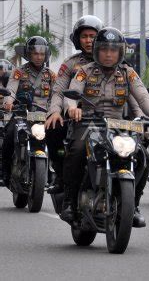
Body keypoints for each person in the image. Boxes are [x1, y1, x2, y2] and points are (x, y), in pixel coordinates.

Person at [61, 27, 149, 228]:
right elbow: (72, 93)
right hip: (90, 123)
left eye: (113, 50)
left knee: (143, 156)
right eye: (105, 50)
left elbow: (143, 95)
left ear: (120, 52)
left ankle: (133, 206)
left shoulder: (128, 73)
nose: (109, 54)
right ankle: (70, 203)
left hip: (119, 125)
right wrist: (72, 108)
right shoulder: (84, 71)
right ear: (98, 51)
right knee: (77, 151)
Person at [45, 15, 104, 194]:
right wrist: (56, 111)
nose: (88, 40)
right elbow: (58, 91)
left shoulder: (114, 62)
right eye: (84, 36)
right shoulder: (70, 64)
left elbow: (135, 94)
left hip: (110, 120)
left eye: (92, 36)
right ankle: (62, 176)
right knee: (54, 128)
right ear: (78, 39)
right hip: (77, 117)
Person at [2, 36, 56, 188]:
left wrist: (56, 110)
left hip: (44, 117)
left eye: (42, 54)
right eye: (35, 53)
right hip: (22, 115)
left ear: (46, 55)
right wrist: (9, 102)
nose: (39, 57)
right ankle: (5, 171)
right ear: (29, 54)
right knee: (9, 134)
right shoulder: (19, 72)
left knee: (58, 138)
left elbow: (56, 95)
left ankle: (53, 170)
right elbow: (11, 89)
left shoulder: (51, 75)